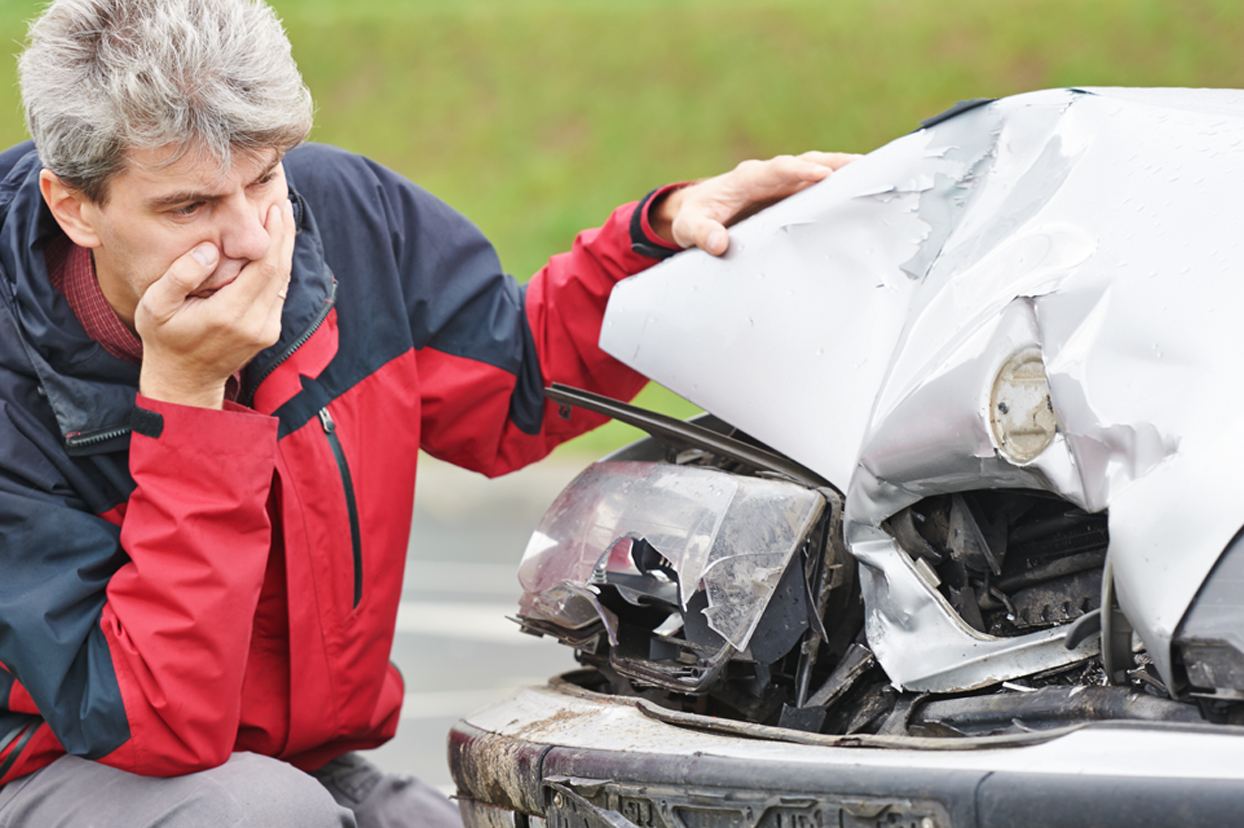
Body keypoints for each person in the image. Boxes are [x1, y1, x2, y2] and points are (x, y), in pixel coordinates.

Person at [0, 0, 855, 825]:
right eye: (188, 207)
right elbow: (150, 723)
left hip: (301, 759)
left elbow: (516, 390)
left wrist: (665, 238)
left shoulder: (340, 213)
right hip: (74, 769)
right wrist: (188, 401)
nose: (255, 238)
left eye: (263, 178)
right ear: (75, 206)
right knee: (259, 815)